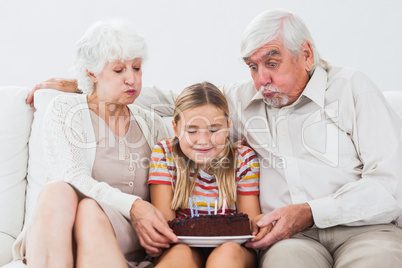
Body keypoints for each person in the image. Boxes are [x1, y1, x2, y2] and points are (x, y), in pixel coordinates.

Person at [28, 8, 402, 268]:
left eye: (272, 63)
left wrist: (309, 212)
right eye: (252, 67)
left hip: (363, 228)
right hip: (292, 241)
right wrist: (83, 85)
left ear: (306, 55)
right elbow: (184, 104)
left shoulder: (353, 88)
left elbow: (391, 186)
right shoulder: (242, 98)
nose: (261, 80)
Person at [16, 19, 178, 267]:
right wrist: (134, 204)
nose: (131, 80)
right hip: (60, 229)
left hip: (122, 233)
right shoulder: (65, 110)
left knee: (90, 212)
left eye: (136, 68)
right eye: (118, 70)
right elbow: (73, 176)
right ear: (91, 73)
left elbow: (197, 106)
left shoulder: (152, 123)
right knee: (58, 190)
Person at [147, 81, 269, 267]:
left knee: (226, 254)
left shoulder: (243, 159)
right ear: (176, 128)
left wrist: (260, 224)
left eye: (214, 130)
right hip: (180, 244)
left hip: (234, 246)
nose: (203, 141)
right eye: (192, 130)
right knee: (179, 255)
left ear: (228, 126)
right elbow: (167, 224)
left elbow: (249, 220)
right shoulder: (164, 154)